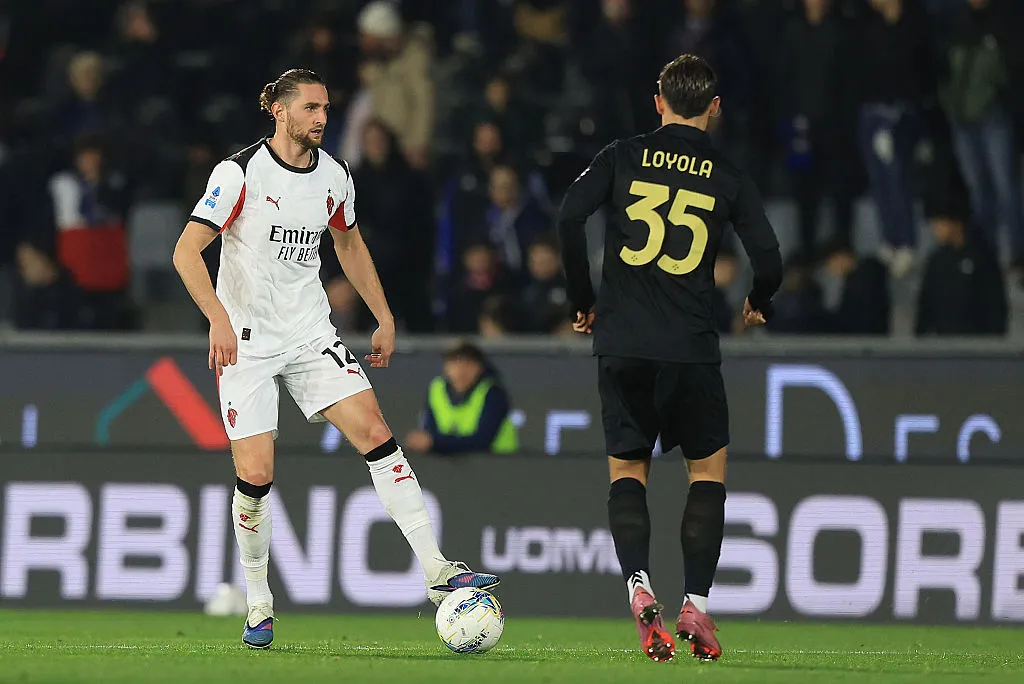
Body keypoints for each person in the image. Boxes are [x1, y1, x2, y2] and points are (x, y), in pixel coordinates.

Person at [171, 69, 499, 650]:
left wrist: (384, 315)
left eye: (327, 107)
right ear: (279, 110)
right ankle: (258, 600)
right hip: (246, 339)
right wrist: (218, 320)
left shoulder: (335, 175)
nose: (323, 117)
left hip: (308, 332)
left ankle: (437, 570)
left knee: (375, 430)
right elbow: (186, 251)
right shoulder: (239, 172)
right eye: (312, 107)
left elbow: (347, 243)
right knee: (257, 473)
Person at [556, 54, 782, 663]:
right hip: (689, 348)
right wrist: (758, 300)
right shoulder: (726, 173)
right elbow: (769, 252)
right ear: (714, 107)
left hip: (623, 343)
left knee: (628, 475)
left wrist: (584, 300)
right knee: (706, 476)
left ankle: (639, 587)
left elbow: (570, 215)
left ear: (658, 101)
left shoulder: (622, 155)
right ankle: (697, 606)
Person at [405, 342, 518, 455]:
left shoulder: (493, 393)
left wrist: (434, 442)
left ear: (479, 367)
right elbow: (430, 431)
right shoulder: (436, 389)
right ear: (446, 367)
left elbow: (482, 442)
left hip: (498, 466)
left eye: (468, 364)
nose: (461, 371)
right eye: (454, 363)